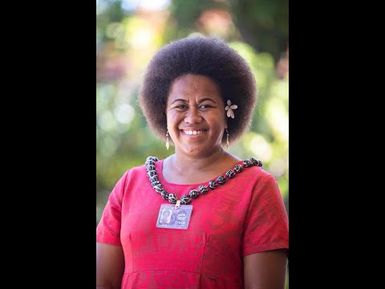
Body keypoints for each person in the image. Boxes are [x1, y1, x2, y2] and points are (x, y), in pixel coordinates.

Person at [97, 36, 289, 289]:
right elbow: (104, 281)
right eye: (180, 106)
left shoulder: (256, 188)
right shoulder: (131, 184)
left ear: (228, 110)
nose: (192, 117)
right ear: (162, 111)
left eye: (205, 105)